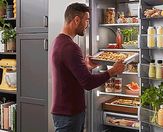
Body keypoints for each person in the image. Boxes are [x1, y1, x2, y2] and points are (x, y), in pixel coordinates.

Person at [49, 3, 125, 132]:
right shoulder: (71, 47)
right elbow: (88, 83)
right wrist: (112, 71)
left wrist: (86, 67)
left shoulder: (59, 41)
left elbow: (69, 73)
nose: (87, 25)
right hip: (69, 113)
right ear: (76, 20)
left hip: (65, 111)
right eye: (87, 20)